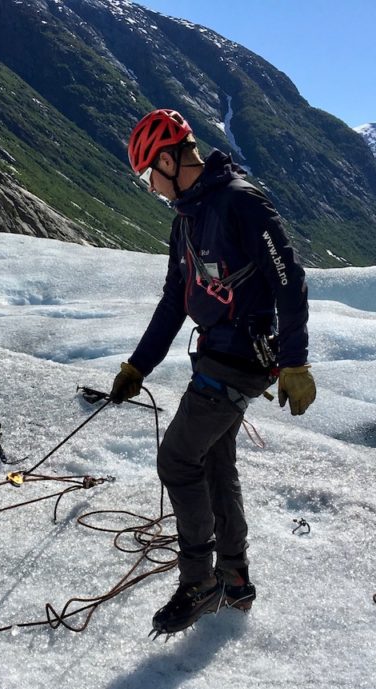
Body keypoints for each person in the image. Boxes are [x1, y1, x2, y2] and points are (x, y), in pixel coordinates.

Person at [110, 108, 316, 637]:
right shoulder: (187, 216)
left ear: (166, 158)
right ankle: (235, 580)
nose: (149, 187)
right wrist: (139, 364)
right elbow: (174, 300)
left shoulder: (240, 202)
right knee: (215, 463)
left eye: (147, 175)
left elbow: (288, 282)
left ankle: (199, 582)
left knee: (178, 460)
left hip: (241, 358)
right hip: (216, 355)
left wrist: (295, 361)